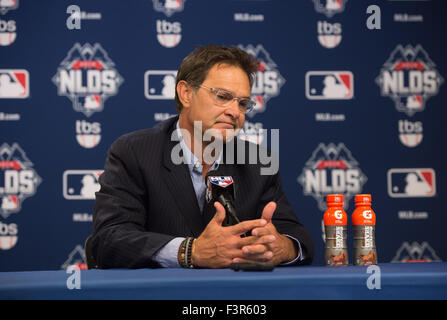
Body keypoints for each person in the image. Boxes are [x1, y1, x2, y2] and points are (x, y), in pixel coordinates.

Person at [91, 45, 314, 269]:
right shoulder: (134, 152)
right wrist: (190, 251)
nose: (235, 112)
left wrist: (278, 247)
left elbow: (297, 238)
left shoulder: (257, 161)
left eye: (243, 103)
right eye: (223, 97)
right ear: (186, 93)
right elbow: (109, 240)